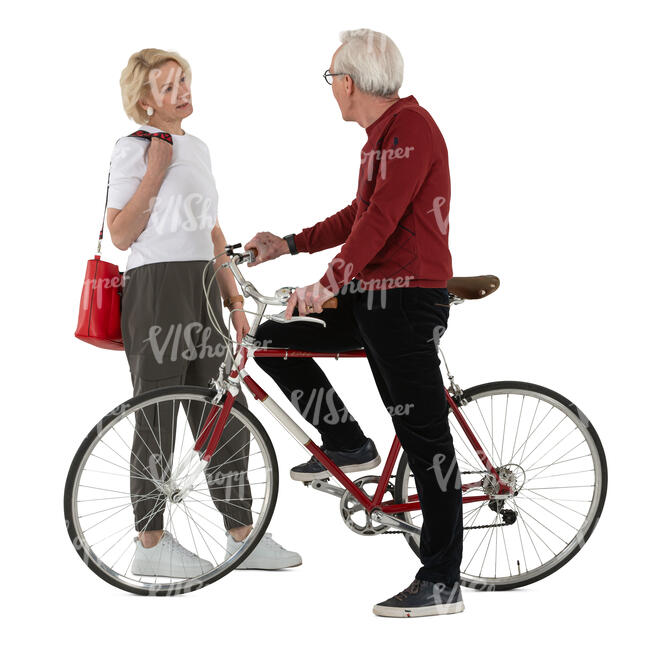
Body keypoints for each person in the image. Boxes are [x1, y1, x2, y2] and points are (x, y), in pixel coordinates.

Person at [245, 29, 463, 617]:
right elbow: (358, 215)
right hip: (371, 298)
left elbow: (382, 224)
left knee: (426, 439)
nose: (330, 89)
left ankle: (442, 579)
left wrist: (327, 284)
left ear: (349, 82)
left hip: (407, 301)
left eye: (330, 78)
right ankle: (349, 444)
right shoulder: (379, 139)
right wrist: (287, 244)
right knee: (269, 341)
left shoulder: (411, 129)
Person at [107, 48, 300, 577]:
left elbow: (211, 230)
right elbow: (120, 235)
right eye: (167, 87)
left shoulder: (202, 148)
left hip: (202, 287)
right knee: (158, 413)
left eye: (184, 80)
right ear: (145, 101)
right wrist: (155, 171)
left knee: (220, 412)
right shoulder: (133, 149)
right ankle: (149, 543)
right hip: (155, 286)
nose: (182, 92)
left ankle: (242, 535)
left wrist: (234, 299)